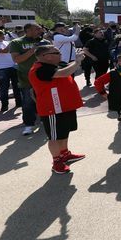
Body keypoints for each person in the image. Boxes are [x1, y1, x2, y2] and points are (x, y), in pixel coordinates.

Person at [29, 46, 86, 174]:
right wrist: (77, 62)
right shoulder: (40, 69)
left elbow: (66, 69)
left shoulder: (54, 65)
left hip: (64, 107)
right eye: (57, 53)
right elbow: (64, 73)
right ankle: (57, 162)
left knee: (63, 133)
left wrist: (77, 61)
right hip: (53, 109)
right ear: (47, 56)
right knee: (54, 137)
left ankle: (65, 154)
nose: (60, 54)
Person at [9, 23, 51, 133]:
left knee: (45, 100)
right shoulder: (16, 42)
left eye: (40, 29)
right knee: (28, 102)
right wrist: (33, 50)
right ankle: (29, 124)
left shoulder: (45, 42)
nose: (40, 31)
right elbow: (17, 59)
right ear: (28, 30)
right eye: (36, 29)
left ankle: (45, 120)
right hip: (26, 78)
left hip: (44, 77)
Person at [0, 29, 21, 113]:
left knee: (16, 86)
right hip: (2, 68)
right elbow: (3, 51)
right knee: (4, 88)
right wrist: (13, 42)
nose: (2, 36)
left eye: (2, 34)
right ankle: (4, 106)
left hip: (13, 66)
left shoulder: (6, 42)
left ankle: (19, 103)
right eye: (0, 35)